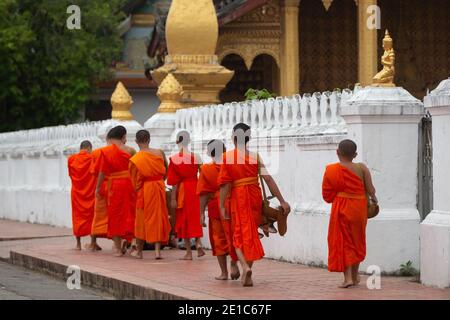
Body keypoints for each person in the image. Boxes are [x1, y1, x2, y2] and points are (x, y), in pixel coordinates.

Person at [218, 123, 291, 287]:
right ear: (249, 138)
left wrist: (222, 205)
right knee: (251, 232)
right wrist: (281, 200)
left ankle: (244, 266)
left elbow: (225, 185)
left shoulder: (227, 157)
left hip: (238, 198)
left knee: (238, 235)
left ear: (233, 138)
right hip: (254, 197)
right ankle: (246, 272)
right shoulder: (255, 156)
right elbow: (268, 179)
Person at [322, 139, 378, 288]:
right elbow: (371, 189)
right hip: (359, 208)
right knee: (356, 241)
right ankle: (355, 275)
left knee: (343, 241)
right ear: (355, 154)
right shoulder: (362, 168)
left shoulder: (331, 170)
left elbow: (327, 196)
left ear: (337, 153)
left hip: (341, 207)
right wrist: (374, 200)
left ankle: (348, 278)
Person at [197, 139, 240, 280]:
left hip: (216, 205)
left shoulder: (206, 169)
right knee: (234, 236)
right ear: (225, 150)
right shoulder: (233, 165)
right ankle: (234, 263)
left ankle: (224, 273)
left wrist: (201, 213)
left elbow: (203, 193)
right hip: (233, 204)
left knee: (218, 239)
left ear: (209, 153)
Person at [129, 130, 171, 259]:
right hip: (158, 187)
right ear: (149, 139)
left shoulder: (135, 159)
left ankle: (139, 251)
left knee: (142, 219)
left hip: (145, 189)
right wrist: (159, 181)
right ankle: (157, 251)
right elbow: (166, 170)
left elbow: (135, 182)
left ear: (136, 141)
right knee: (158, 218)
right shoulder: (159, 152)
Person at [95, 126, 136, 257]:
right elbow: (136, 168)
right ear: (123, 137)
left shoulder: (106, 151)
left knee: (115, 215)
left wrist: (98, 187)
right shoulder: (130, 150)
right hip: (129, 184)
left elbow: (102, 171)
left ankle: (118, 248)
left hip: (114, 186)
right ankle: (132, 241)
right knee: (131, 212)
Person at [167, 130, 204, 260]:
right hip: (196, 187)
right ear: (189, 141)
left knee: (184, 219)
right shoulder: (196, 157)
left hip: (183, 190)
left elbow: (174, 181)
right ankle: (198, 242)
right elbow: (203, 174)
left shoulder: (175, 159)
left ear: (177, 142)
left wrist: (172, 198)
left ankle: (189, 252)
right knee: (195, 215)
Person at [68, 140, 96, 250]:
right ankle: (93, 242)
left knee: (77, 217)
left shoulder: (71, 159)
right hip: (90, 191)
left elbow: (70, 175)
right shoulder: (92, 158)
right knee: (92, 216)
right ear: (89, 148)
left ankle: (78, 244)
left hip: (76, 191)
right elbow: (95, 172)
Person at [86, 137, 112, 251]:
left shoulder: (97, 152)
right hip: (115, 187)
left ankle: (93, 242)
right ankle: (119, 244)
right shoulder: (125, 151)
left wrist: (97, 187)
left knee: (98, 216)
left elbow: (94, 171)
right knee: (116, 215)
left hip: (102, 188)